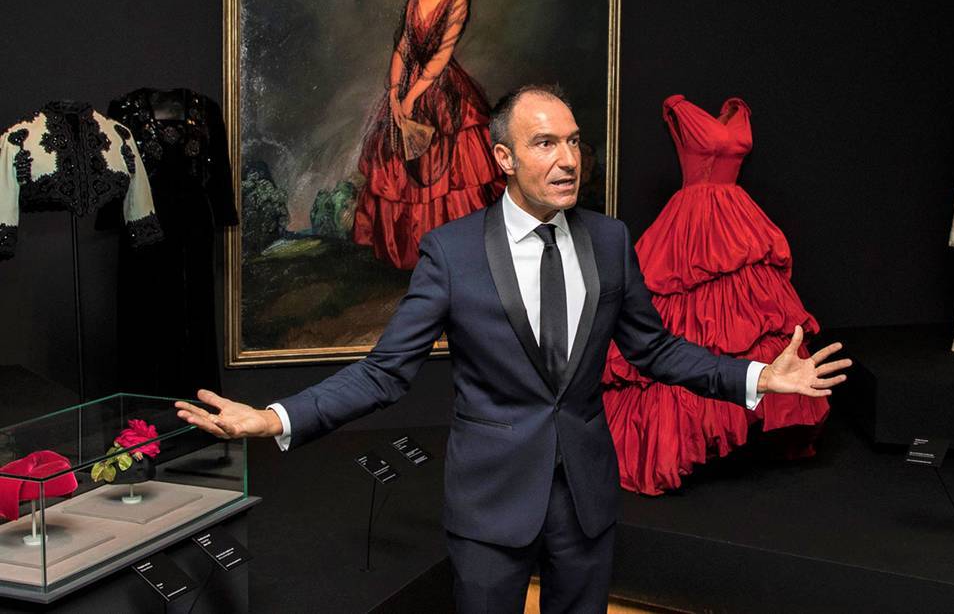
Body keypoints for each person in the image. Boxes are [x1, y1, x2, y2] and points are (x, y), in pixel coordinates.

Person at [177, 84, 849, 612]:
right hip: (491, 502)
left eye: (575, 143)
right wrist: (275, 418)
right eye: (545, 143)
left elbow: (656, 351)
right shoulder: (452, 252)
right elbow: (386, 374)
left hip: (586, 496)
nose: (567, 160)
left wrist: (759, 377)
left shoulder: (611, 243)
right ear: (503, 158)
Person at [352, 0, 506, 270]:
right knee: (398, 165)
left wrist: (411, 97)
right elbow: (403, 46)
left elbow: (439, 59)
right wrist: (392, 91)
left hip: (442, 92)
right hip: (406, 87)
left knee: (453, 171)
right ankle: (411, 251)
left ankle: (454, 253)